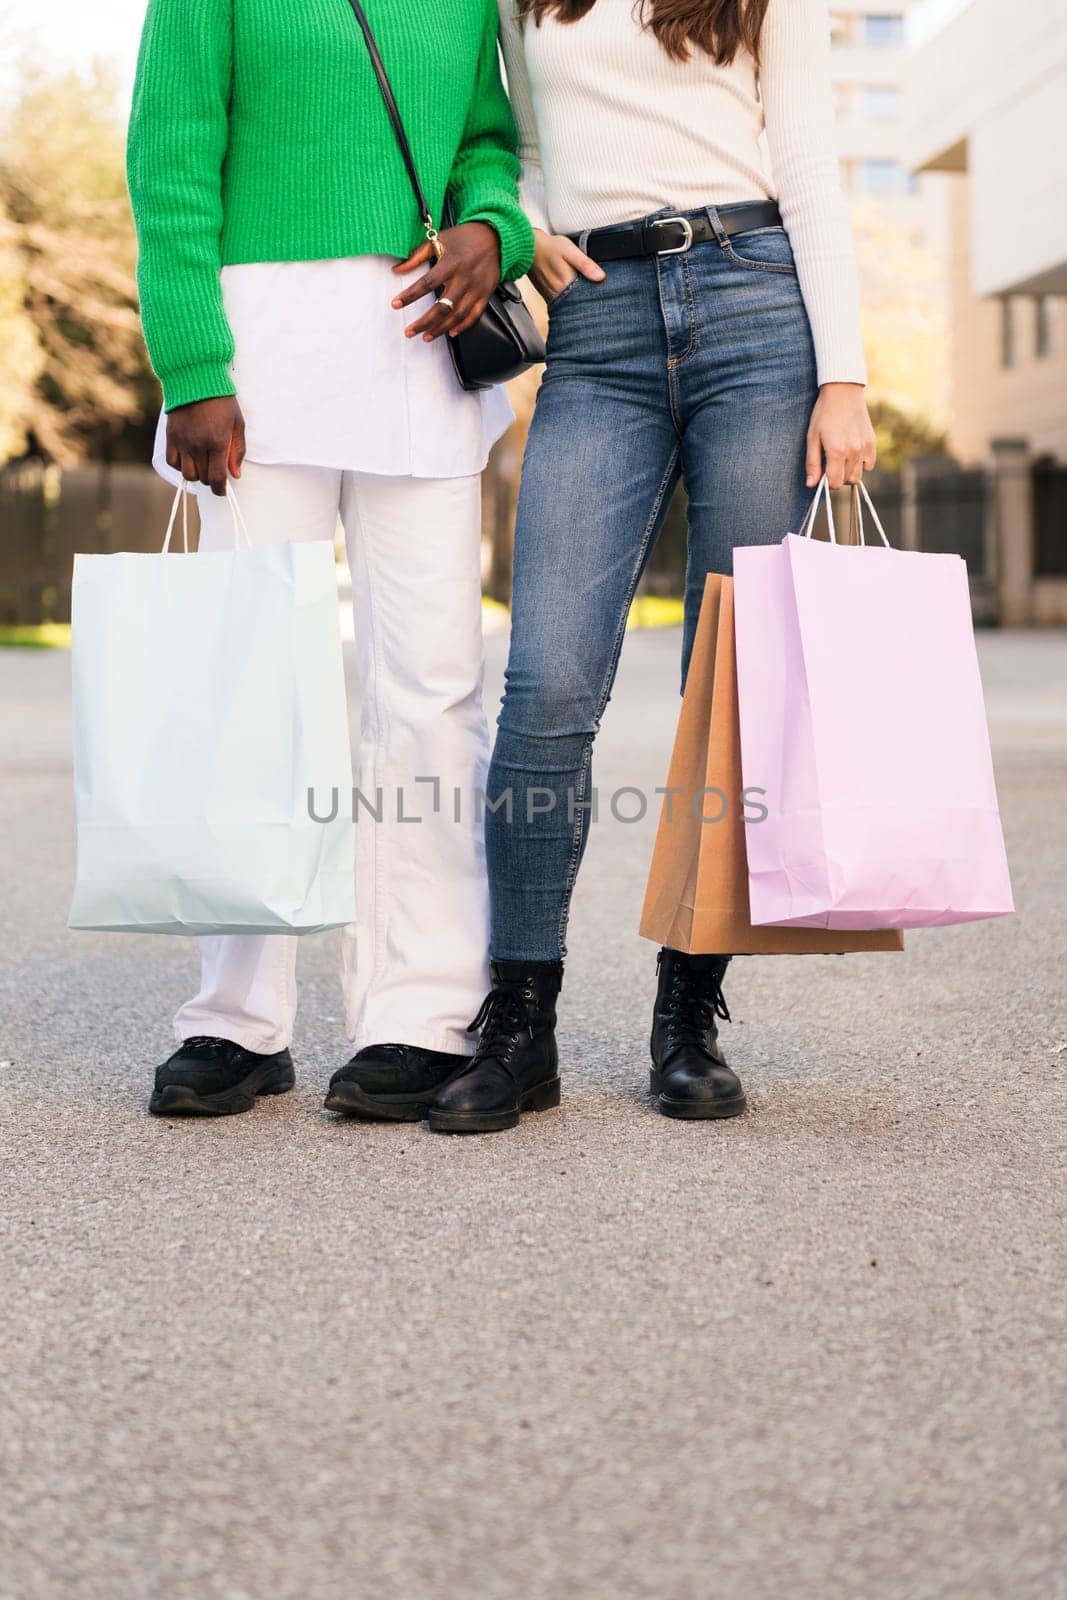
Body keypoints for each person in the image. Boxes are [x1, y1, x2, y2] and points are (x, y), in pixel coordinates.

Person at [423, 0, 878, 1132]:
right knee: (546, 687)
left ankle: (687, 1013)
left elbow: (808, 162)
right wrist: (524, 225)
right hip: (600, 325)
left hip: (757, 310)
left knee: (725, 688)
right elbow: (523, 152)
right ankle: (521, 1022)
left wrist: (845, 376)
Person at [127, 0, 534, 1118]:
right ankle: (238, 1017)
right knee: (253, 687)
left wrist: (493, 227)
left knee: (431, 691)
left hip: (422, 351)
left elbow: (487, 142)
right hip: (260, 359)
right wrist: (191, 364)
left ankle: (421, 1010)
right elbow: (168, 153)